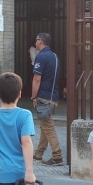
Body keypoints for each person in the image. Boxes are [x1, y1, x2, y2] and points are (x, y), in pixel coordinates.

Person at [31, 33, 63, 166]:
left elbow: (37, 79)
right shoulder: (55, 56)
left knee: (48, 127)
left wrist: (33, 96)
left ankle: (57, 156)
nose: (35, 42)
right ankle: (39, 153)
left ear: (40, 41)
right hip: (54, 97)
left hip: (44, 97)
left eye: (36, 40)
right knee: (45, 125)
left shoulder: (41, 56)